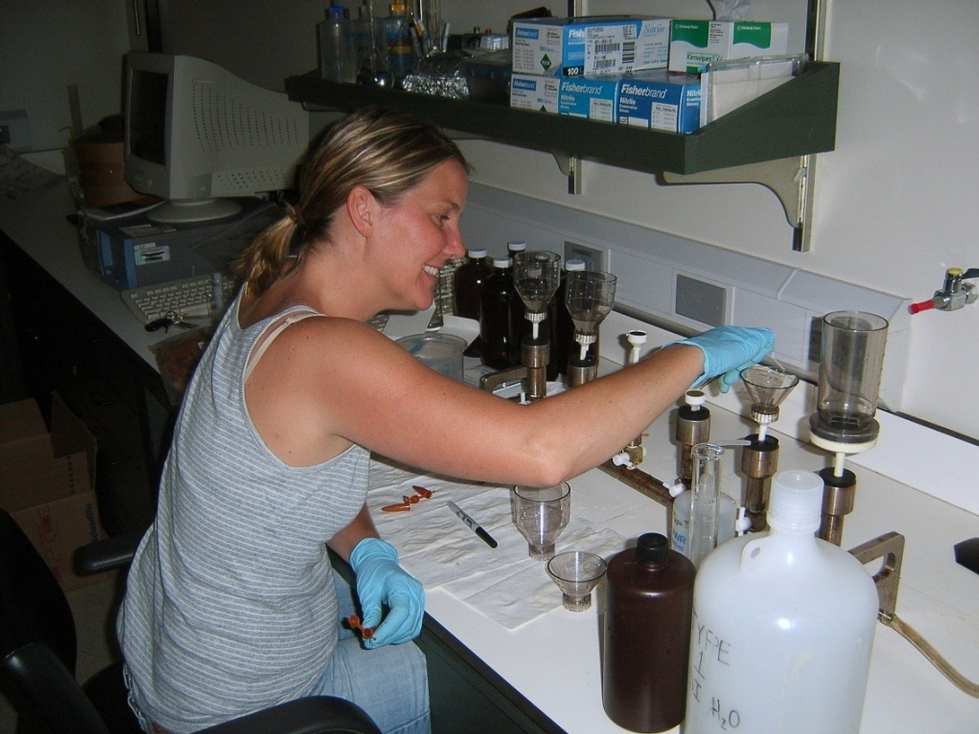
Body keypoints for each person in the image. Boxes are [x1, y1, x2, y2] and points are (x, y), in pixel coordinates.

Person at [117, 107, 773, 733]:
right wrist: (689, 356)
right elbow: (540, 450)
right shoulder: (321, 348)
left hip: (171, 655)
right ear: (363, 210)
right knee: (476, 686)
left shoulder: (274, 290)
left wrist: (367, 548)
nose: (456, 246)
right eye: (441, 217)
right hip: (239, 709)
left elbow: (295, 477)